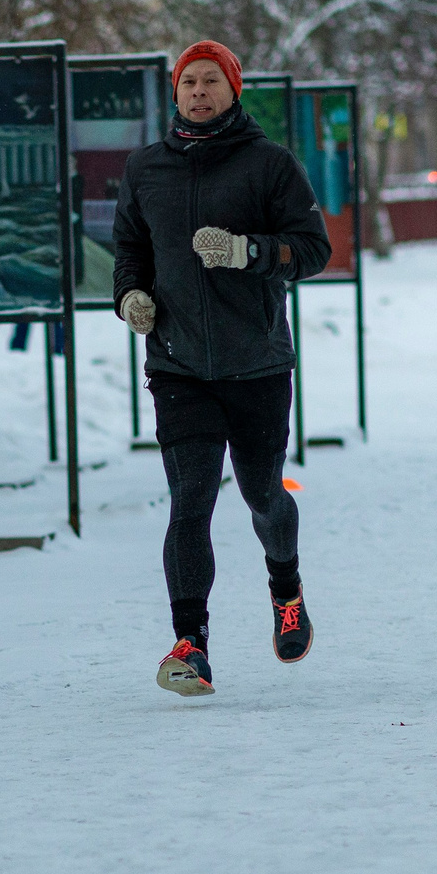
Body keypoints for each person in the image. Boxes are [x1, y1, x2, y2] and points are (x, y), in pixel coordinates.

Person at [111, 39, 330, 697]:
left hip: (256, 363)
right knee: (191, 499)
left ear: (234, 90)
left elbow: (313, 249)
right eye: (188, 83)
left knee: (264, 495)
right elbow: (128, 249)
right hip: (179, 366)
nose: (198, 92)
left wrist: (246, 252)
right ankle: (191, 644)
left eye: (210, 81)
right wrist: (130, 296)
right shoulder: (146, 169)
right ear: (173, 95)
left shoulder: (269, 165)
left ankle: (285, 587)